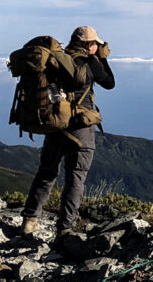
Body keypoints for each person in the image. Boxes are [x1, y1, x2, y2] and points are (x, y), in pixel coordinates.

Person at [20, 25, 115, 239]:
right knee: (76, 177)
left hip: (56, 124)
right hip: (81, 127)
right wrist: (102, 59)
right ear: (90, 44)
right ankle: (65, 228)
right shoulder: (90, 63)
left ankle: (30, 219)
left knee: (47, 172)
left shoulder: (55, 60)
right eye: (96, 44)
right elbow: (110, 83)